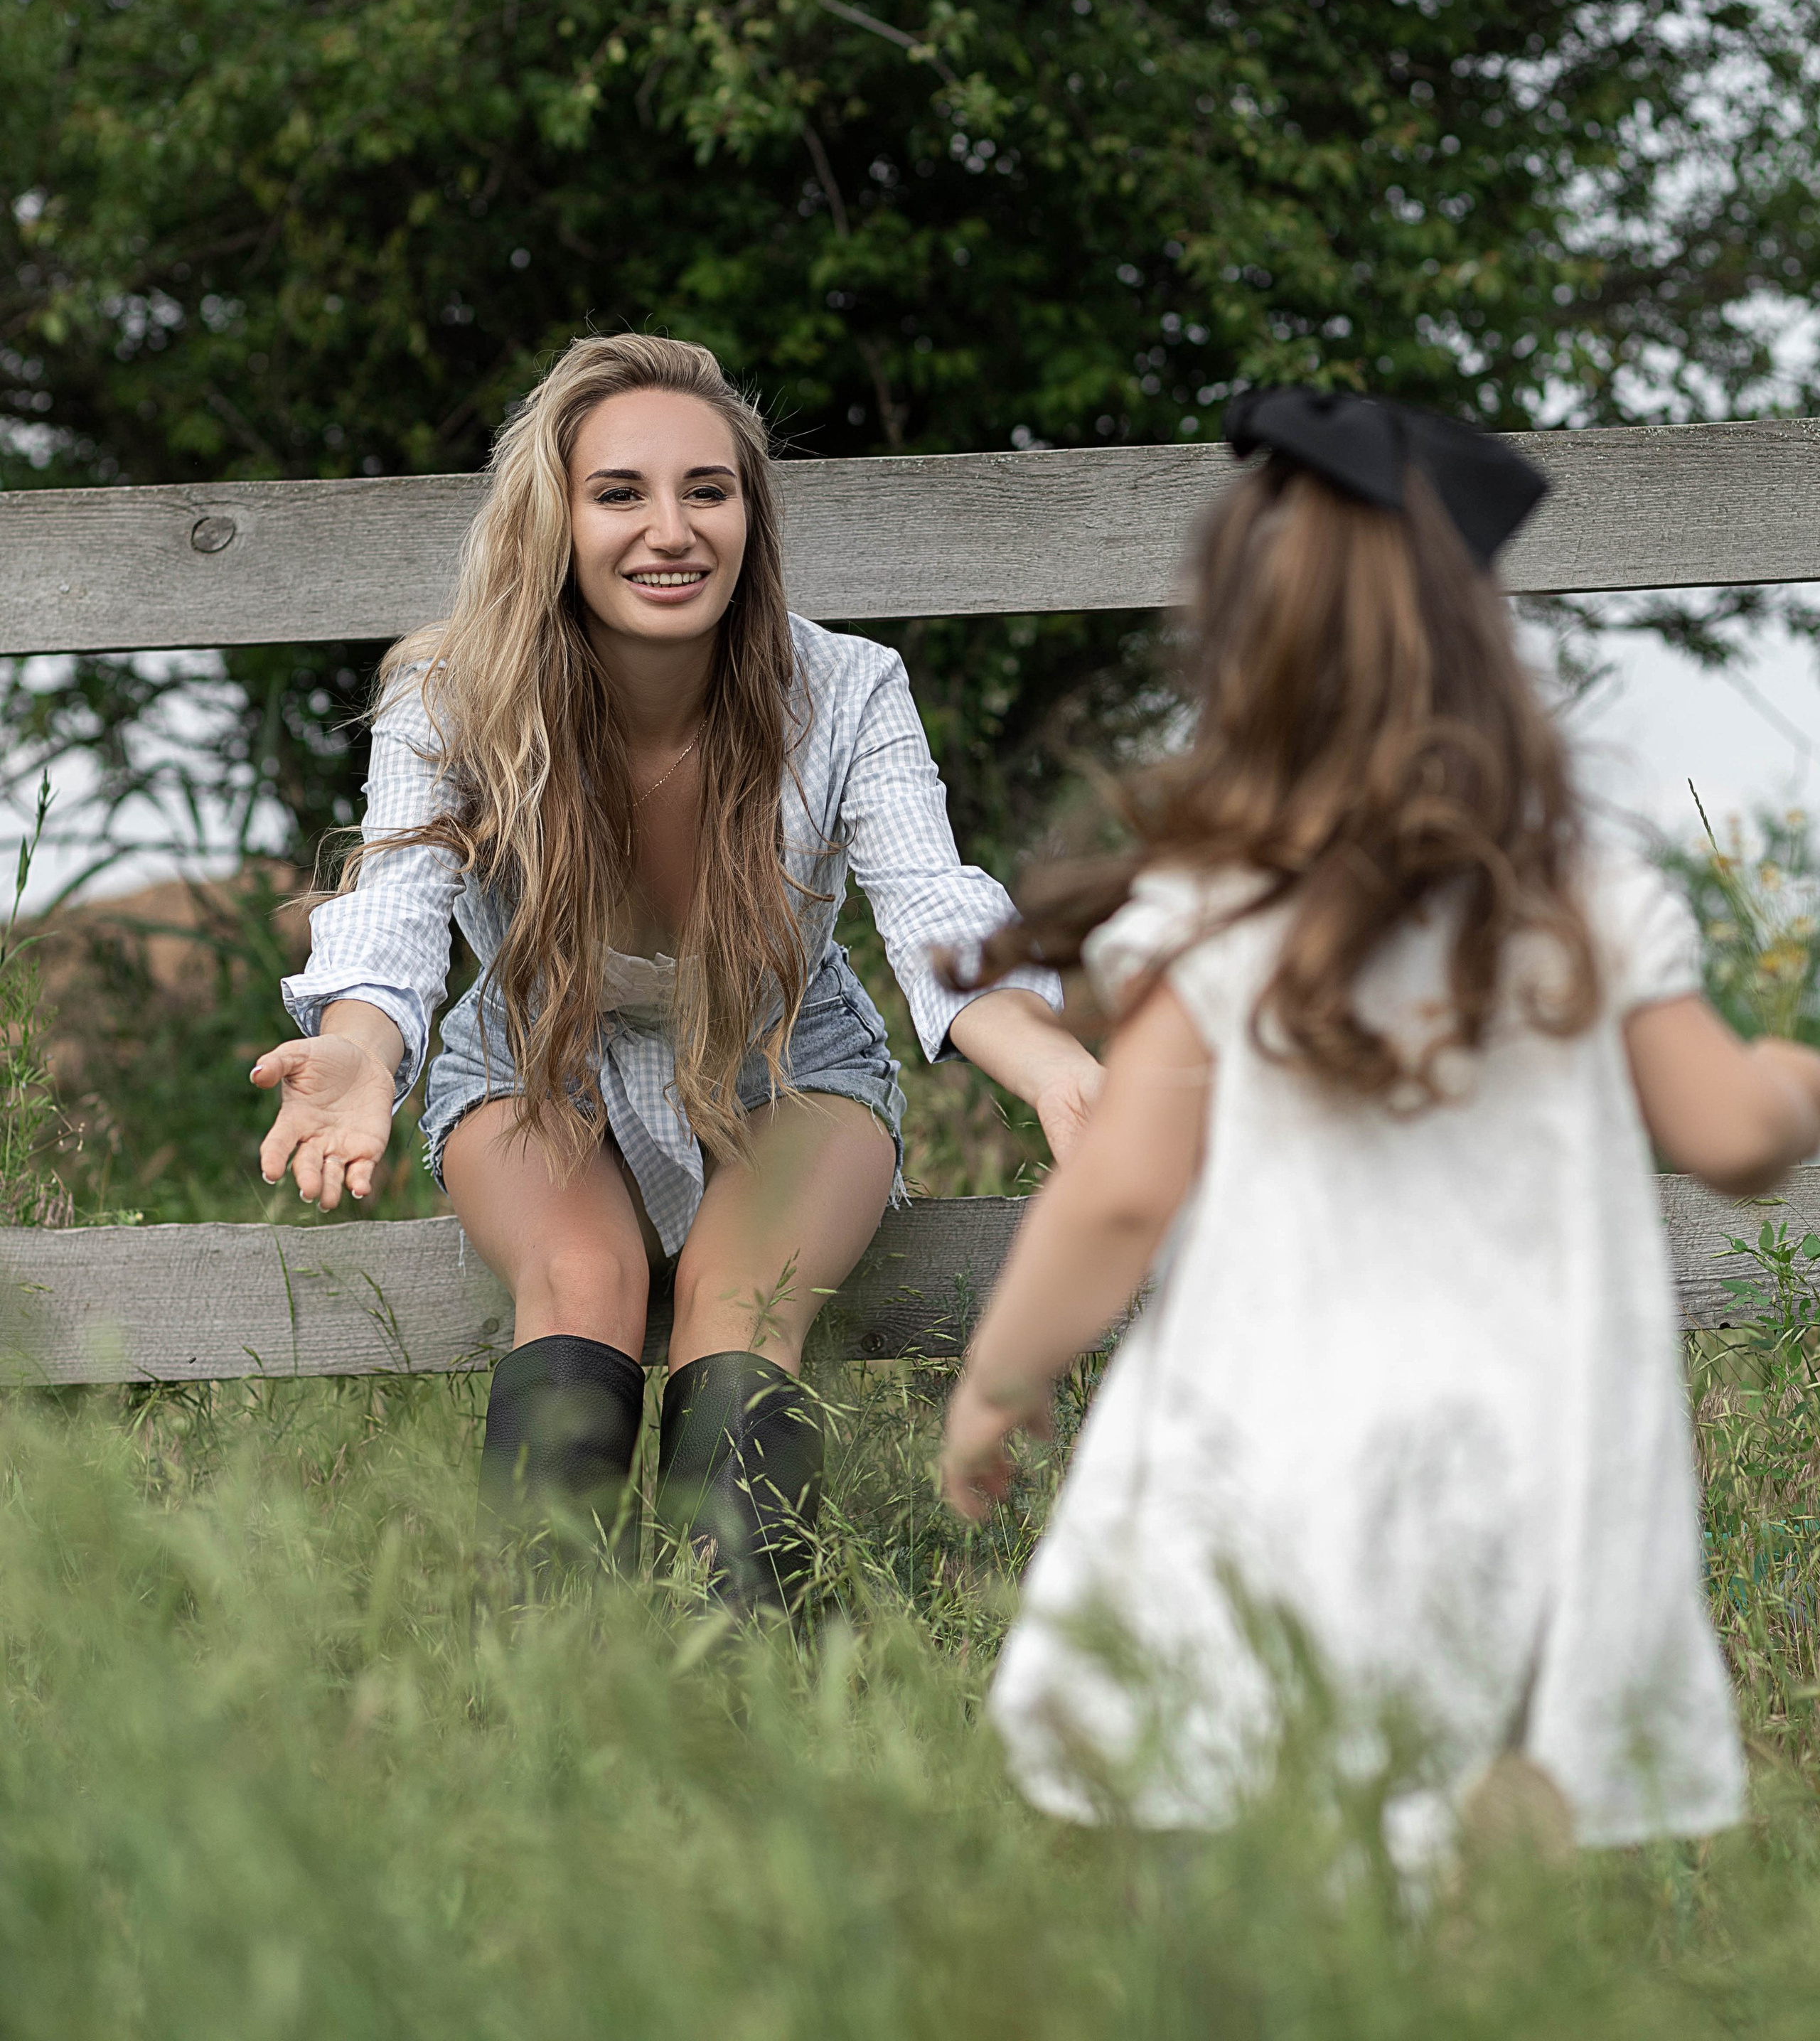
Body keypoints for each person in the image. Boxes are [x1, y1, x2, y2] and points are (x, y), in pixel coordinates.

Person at [940, 385, 1820, 1863]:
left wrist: (997, 1376)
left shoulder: (1221, 914)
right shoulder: (1577, 900)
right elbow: (1730, 1136)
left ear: (1242, 656)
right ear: (1481, 651)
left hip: (1265, 1447)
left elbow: (1116, 1196)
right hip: (1525, 1459)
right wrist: (1794, 1077)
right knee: (1470, 1840)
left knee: (1247, 1810)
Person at [252, 332, 1101, 1614]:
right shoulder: (451, 699)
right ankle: (547, 1685)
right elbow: (397, 916)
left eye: (708, 490)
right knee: (580, 1284)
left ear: (751, 515)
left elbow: (936, 906)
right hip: (537, 1046)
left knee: (743, 1302)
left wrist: (1052, 1066)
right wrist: (361, 1052)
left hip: (786, 1048)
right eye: (620, 493)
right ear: (555, 520)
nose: (672, 530)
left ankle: (744, 1685)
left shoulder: (849, 688)